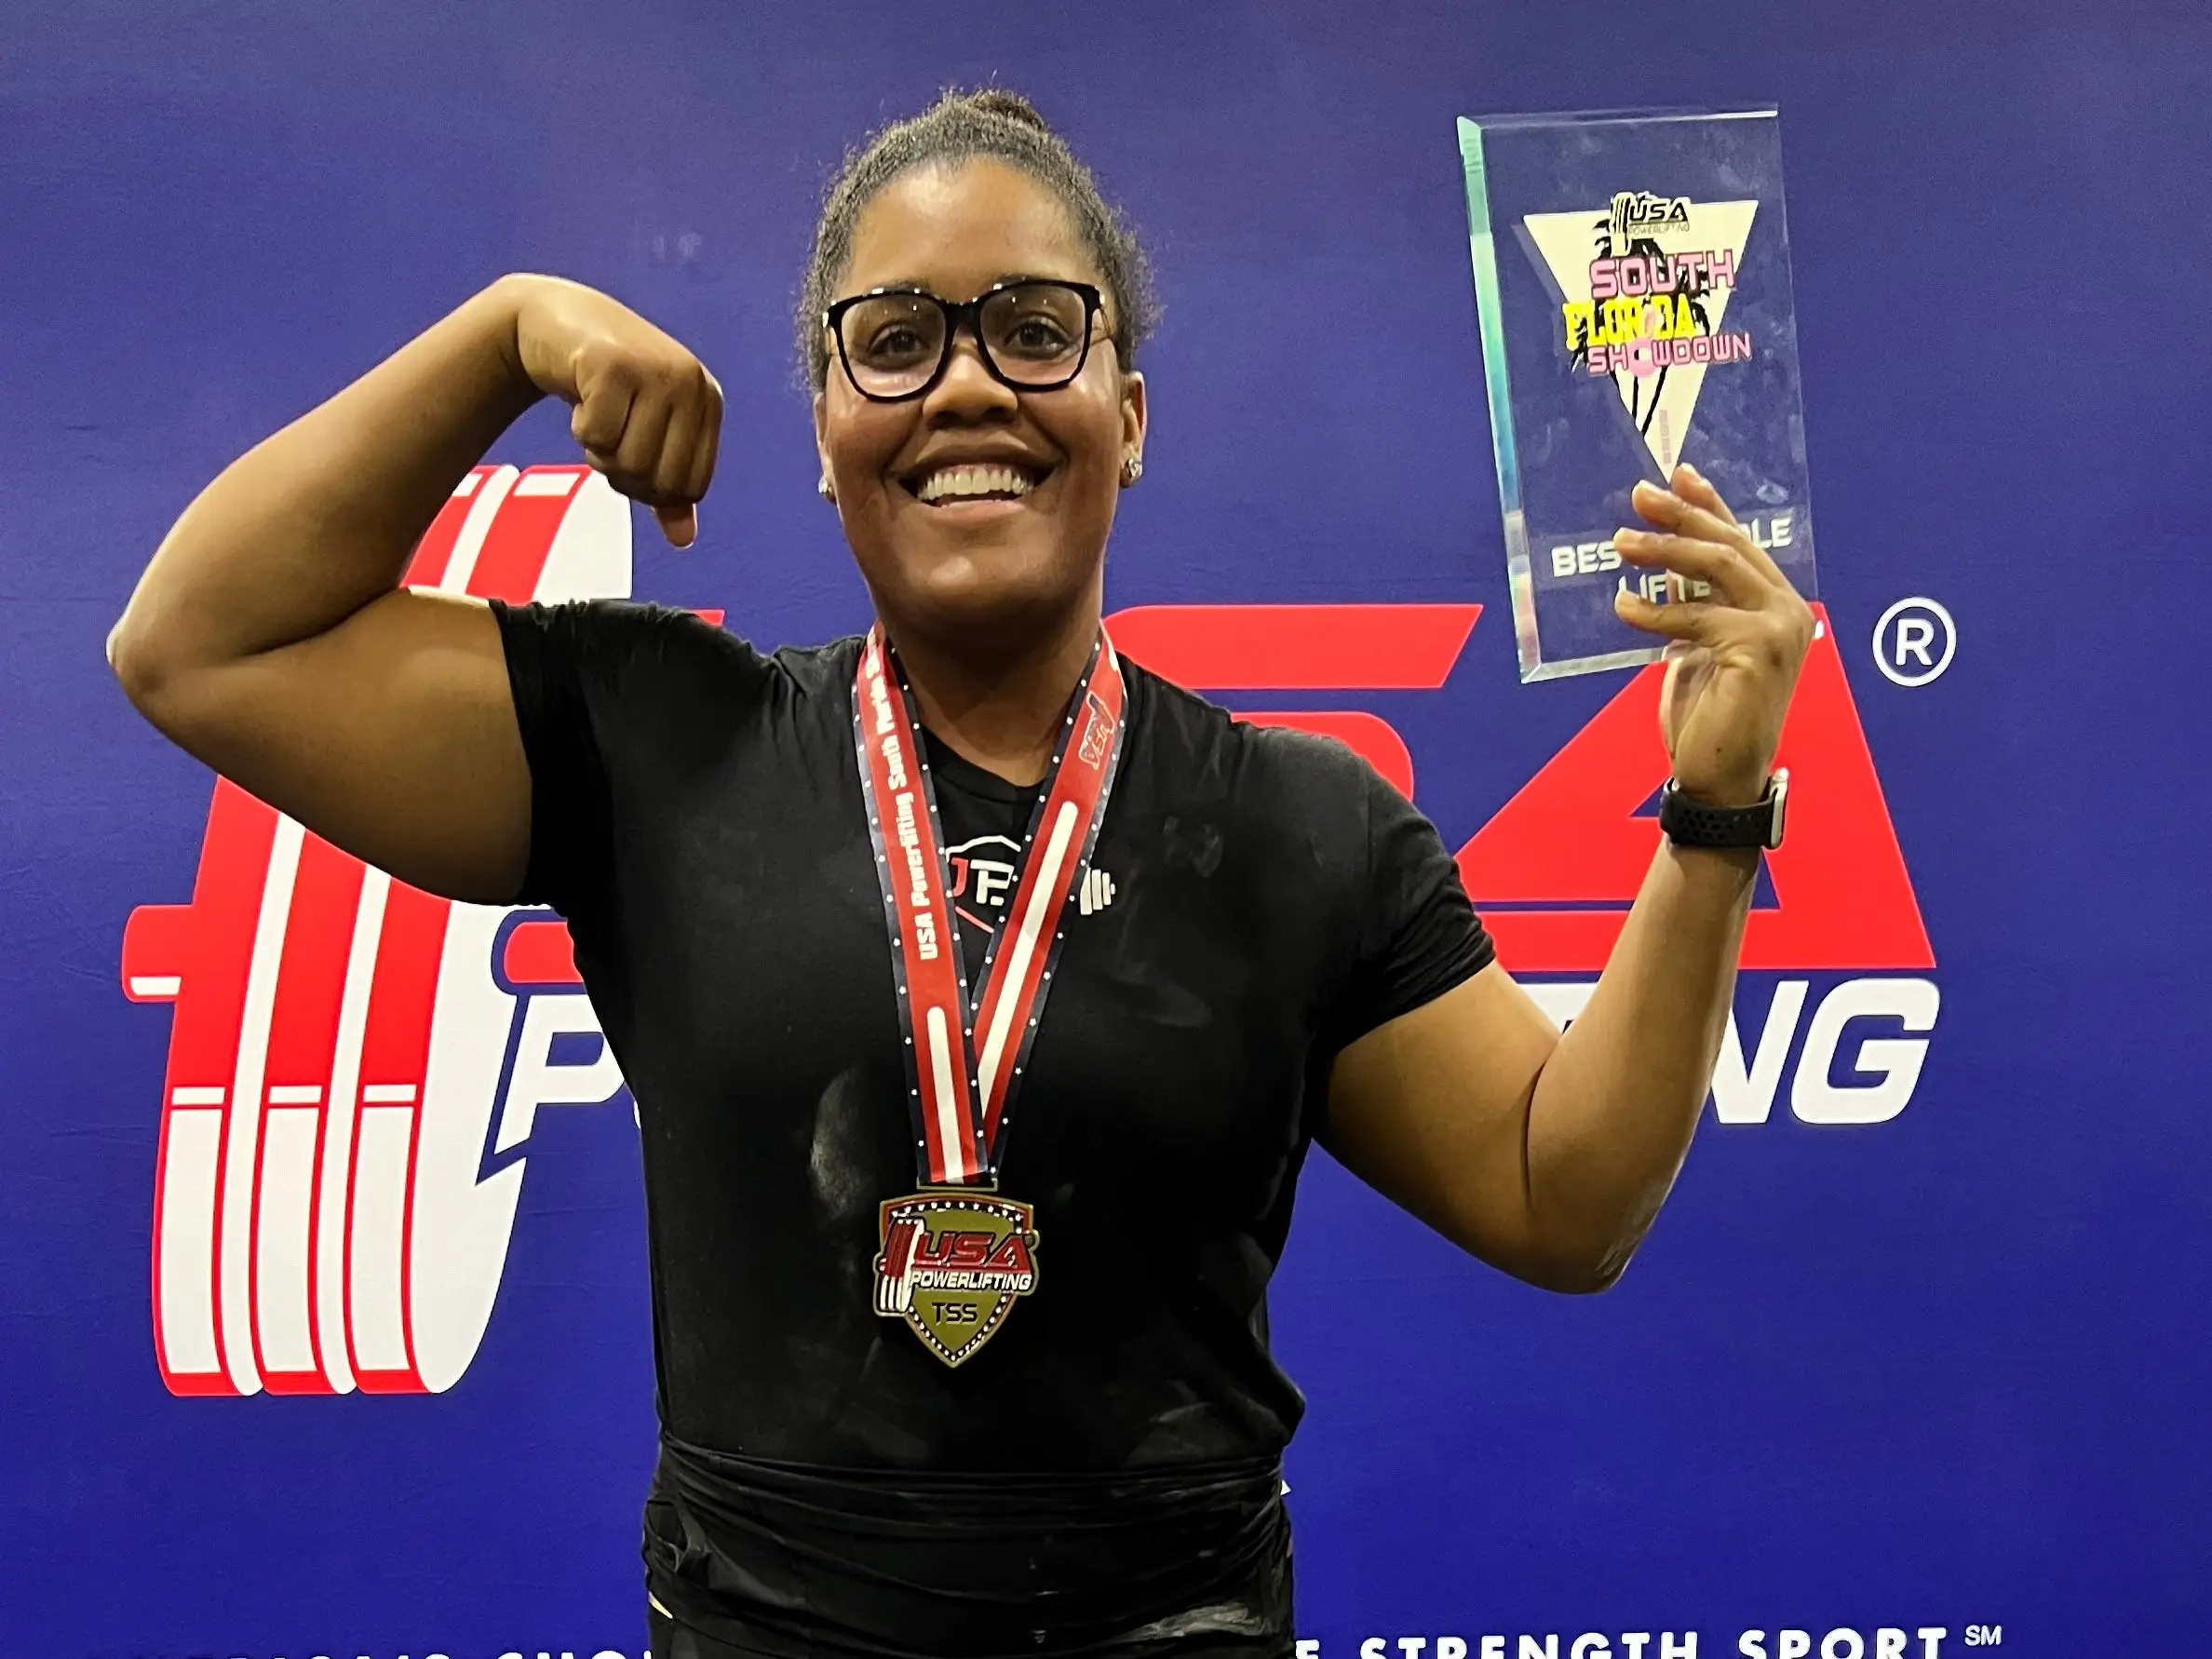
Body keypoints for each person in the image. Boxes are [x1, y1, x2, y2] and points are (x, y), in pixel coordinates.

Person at [109, 88, 1813, 1659]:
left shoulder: (1308, 824)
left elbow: (1562, 1196)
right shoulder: (661, 748)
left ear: (1128, 416)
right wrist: (504, 332)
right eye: (900, 342)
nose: (971, 385)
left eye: (1035, 328)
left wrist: (1716, 805)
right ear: (832, 425)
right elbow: (202, 643)